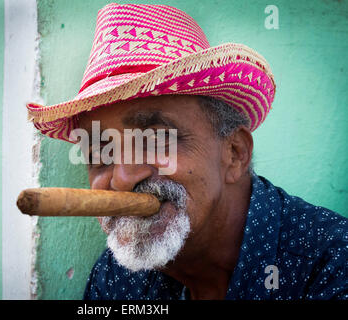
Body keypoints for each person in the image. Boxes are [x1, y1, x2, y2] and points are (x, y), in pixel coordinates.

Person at [26, 3, 347, 300]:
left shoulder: (331, 266)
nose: (122, 179)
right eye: (99, 154)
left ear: (234, 153)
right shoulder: (117, 279)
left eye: (154, 137)